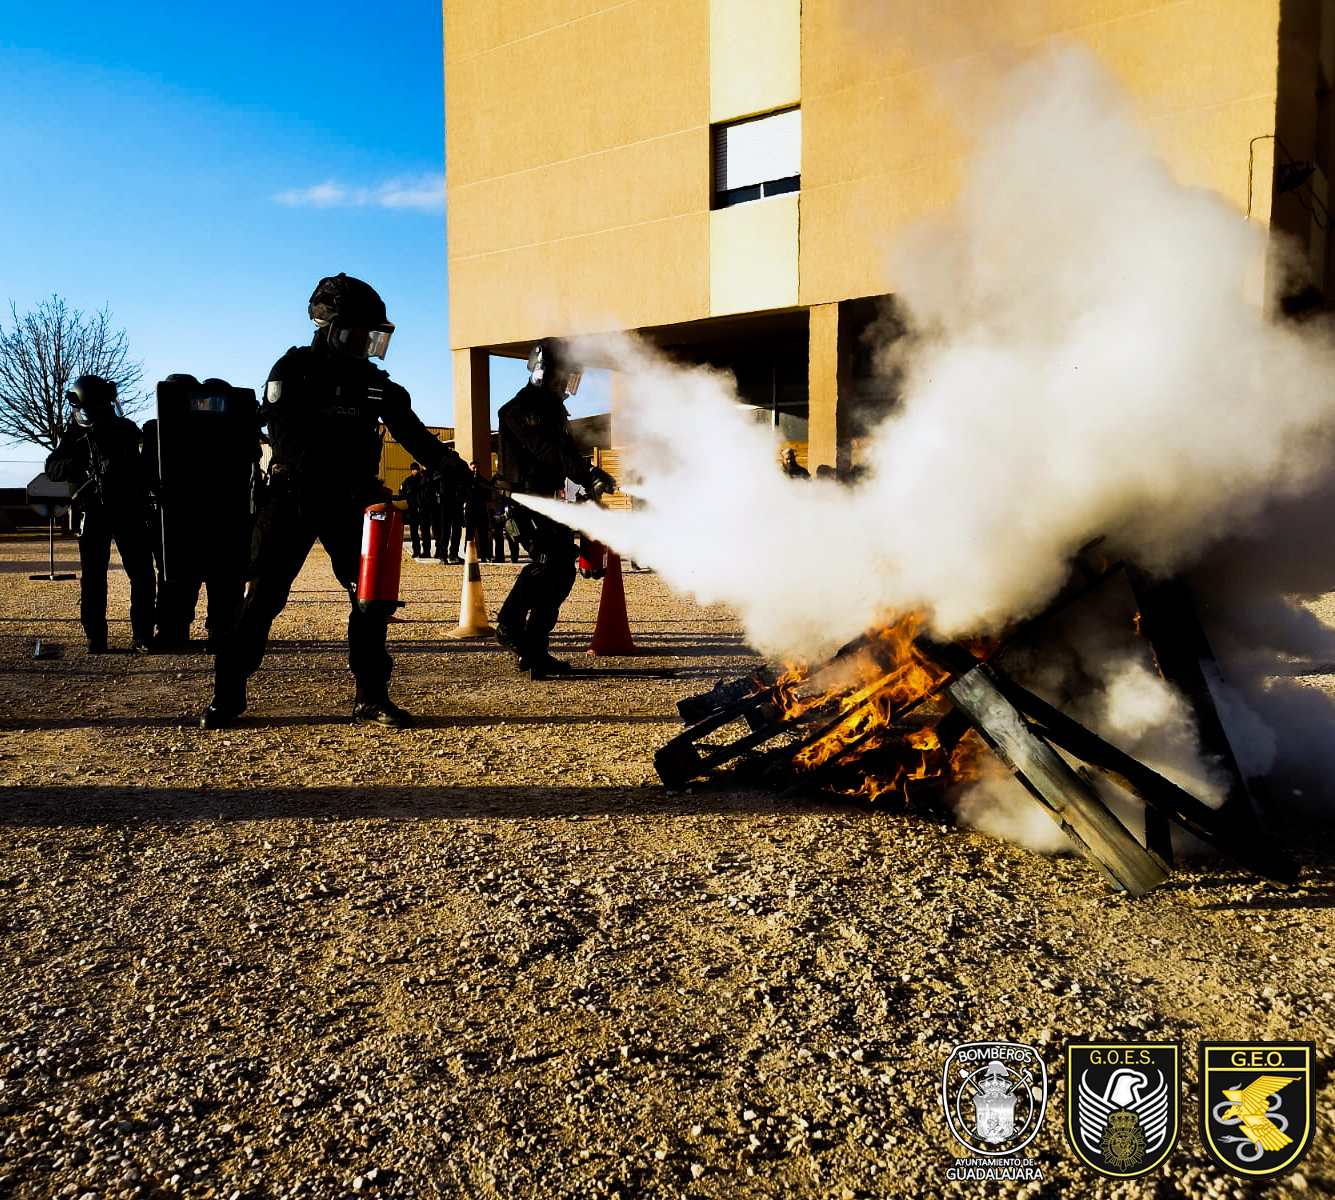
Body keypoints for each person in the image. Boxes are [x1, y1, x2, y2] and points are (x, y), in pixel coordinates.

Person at [200, 273, 469, 730]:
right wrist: (352, 484)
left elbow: (413, 434)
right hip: (293, 496)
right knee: (263, 596)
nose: (365, 342)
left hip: (350, 505)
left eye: (371, 334)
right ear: (328, 326)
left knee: (370, 597)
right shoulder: (292, 372)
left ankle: (370, 697)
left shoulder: (375, 383)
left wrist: (451, 466)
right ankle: (227, 694)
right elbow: (289, 445)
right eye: (356, 332)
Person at [494, 338, 615, 679]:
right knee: (546, 564)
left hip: (549, 501)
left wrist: (590, 481)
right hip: (522, 501)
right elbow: (544, 450)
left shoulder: (555, 411)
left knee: (562, 572)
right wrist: (586, 472)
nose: (566, 384)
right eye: (563, 376)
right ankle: (508, 625)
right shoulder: (518, 410)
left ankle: (535, 650)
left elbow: (567, 456)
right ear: (543, 372)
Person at [45, 375, 157, 654]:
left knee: (142, 574)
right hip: (94, 510)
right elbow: (52, 467)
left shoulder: (126, 429)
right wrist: (81, 465)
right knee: (94, 577)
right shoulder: (74, 434)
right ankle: (96, 635)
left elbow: (144, 465)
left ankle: (142, 634)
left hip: (128, 508)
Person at [398, 462, 430, 558]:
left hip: (422, 507)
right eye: (414, 469)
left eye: (416, 469)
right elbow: (402, 492)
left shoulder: (422, 480)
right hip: (414, 507)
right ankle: (418, 551)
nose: (415, 471)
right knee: (416, 531)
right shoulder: (410, 480)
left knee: (424, 531)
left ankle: (425, 551)